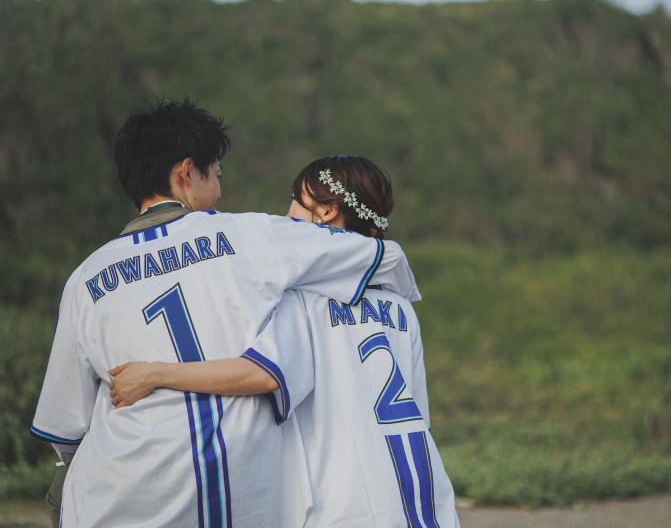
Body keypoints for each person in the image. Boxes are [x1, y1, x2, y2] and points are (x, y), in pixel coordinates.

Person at [31, 99, 420, 528]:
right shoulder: (250, 234)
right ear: (186, 172)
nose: (219, 186)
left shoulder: (85, 279)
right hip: (237, 497)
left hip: (117, 494)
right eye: (215, 173)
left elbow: (64, 429)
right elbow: (382, 257)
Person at [109, 155, 461, 528]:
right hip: (425, 496)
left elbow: (261, 374)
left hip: (346, 503)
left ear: (326, 213)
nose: (288, 210)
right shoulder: (401, 305)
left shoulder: (306, 297)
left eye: (297, 198)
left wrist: (155, 374)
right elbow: (419, 413)